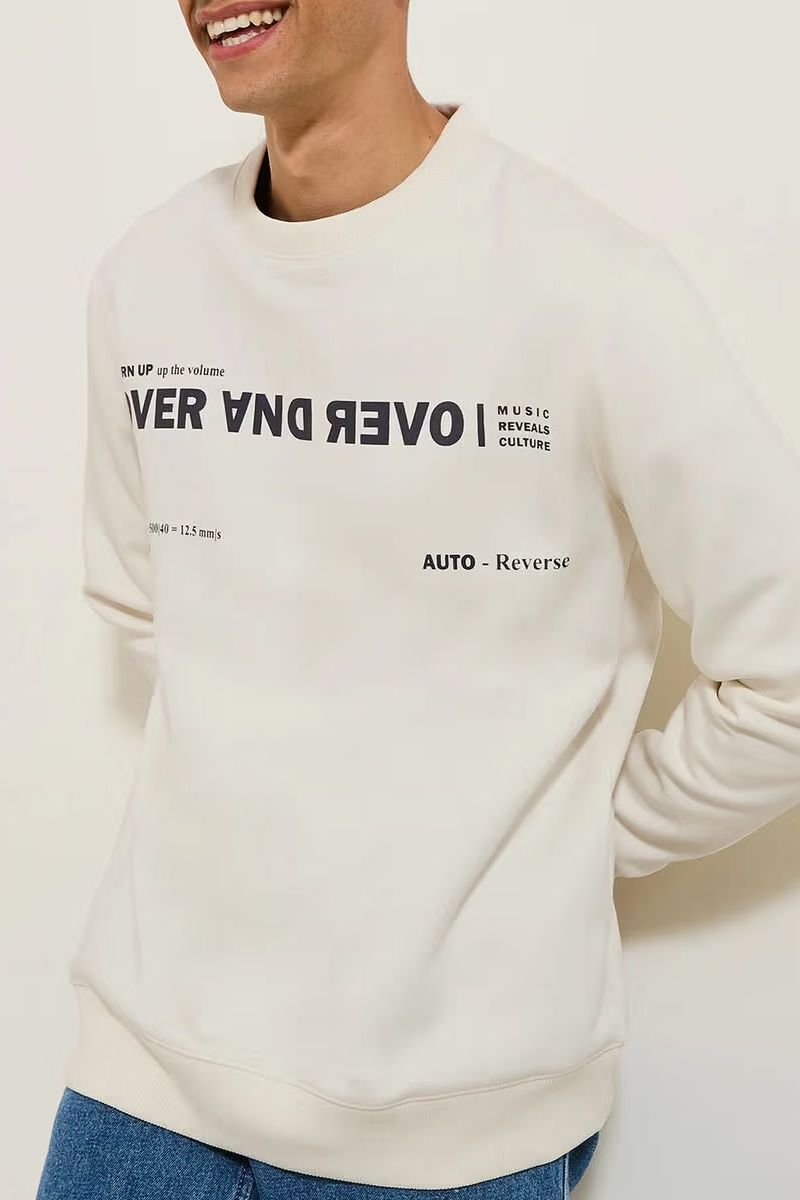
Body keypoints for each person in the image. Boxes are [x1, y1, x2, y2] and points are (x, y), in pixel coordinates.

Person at [36, 1, 800, 1198]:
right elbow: (147, 604)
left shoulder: (586, 286)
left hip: (450, 1126)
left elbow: (784, 676)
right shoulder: (149, 276)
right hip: (144, 1078)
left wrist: (566, 841)